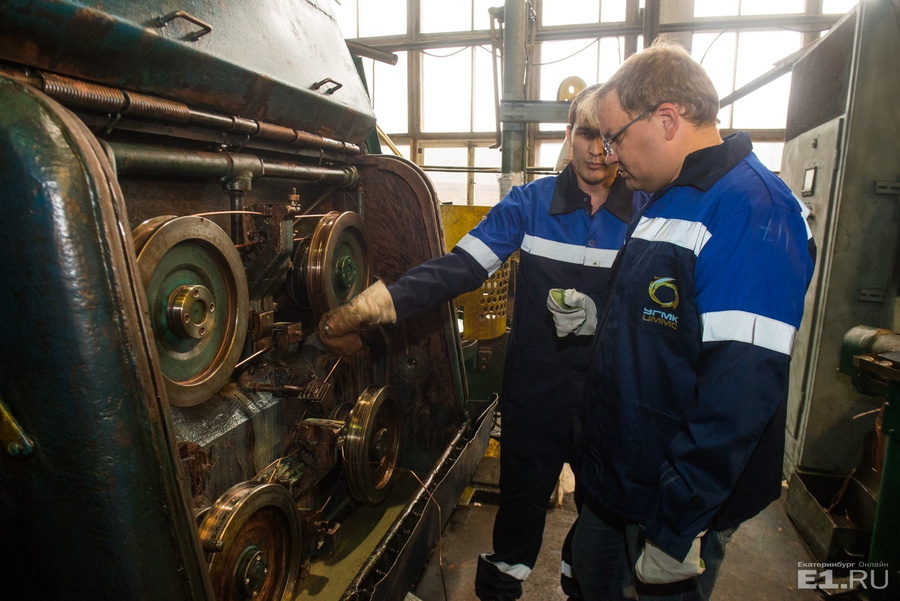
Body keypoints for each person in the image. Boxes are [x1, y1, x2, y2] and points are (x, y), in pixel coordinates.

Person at [319, 84, 647, 601]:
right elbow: (459, 268)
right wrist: (377, 306)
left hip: (610, 403)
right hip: (536, 400)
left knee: (603, 531)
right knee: (517, 526)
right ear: (568, 135)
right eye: (586, 134)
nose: (595, 151)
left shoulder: (646, 213)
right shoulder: (530, 205)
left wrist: (605, 318)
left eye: (608, 139)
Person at [566, 43, 816, 601]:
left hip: (670, 500)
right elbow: (662, 324)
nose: (606, 154)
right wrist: (599, 319)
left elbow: (740, 388)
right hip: (618, 479)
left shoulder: (753, 211)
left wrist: (676, 529)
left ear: (667, 119)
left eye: (614, 137)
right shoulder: (663, 196)